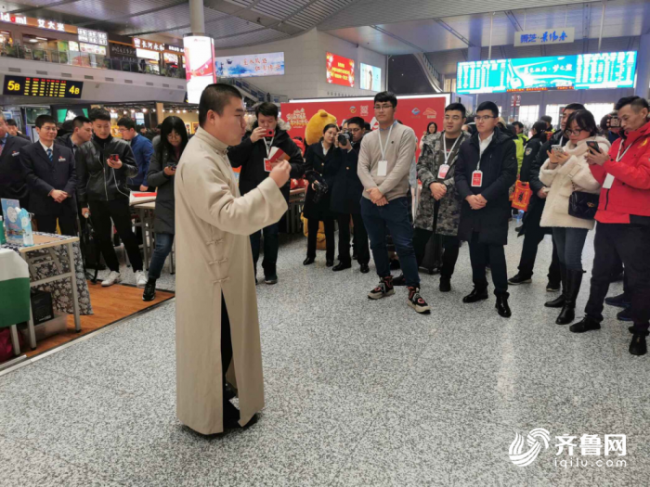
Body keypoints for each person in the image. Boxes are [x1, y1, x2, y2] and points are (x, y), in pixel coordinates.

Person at [175, 83, 291, 434]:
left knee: (224, 336)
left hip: (221, 261)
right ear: (212, 116)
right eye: (238, 115)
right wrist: (271, 184)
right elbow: (229, 213)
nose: (246, 123)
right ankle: (208, 412)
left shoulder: (214, 151)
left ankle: (221, 394)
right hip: (213, 269)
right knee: (214, 339)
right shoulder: (200, 160)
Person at [570, 96, 650, 356]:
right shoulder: (618, 142)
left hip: (634, 220)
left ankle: (640, 330)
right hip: (607, 216)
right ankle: (592, 316)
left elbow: (643, 179)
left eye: (626, 117)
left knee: (638, 278)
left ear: (644, 113)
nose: (622, 123)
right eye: (620, 118)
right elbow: (606, 177)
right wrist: (596, 164)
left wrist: (608, 163)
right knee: (600, 273)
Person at [357, 91, 431, 314]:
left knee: (404, 246)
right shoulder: (368, 138)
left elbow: (402, 167)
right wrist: (373, 192)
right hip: (369, 200)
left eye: (385, 106)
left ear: (394, 109)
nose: (381, 110)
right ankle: (385, 282)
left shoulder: (406, 133)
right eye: (377, 106)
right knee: (376, 243)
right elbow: (362, 167)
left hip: (395, 199)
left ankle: (413, 290)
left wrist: (380, 191)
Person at [538, 110, 607, 324]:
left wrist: (568, 163)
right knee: (561, 256)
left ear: (590, 128)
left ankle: (570, 305)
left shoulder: (597, 147)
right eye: (570, 130)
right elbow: (546, 179)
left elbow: (593, 183)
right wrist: (552, 164)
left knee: (572, 257)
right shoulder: (567, 146)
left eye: (578, 130)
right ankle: (565, 296)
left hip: (577, 210)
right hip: (557, 208)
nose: (574, 135)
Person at [509, 104, 585, 291]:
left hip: (567, 202)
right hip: (542, 199)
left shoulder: (585, 145)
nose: (565, 120)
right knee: (531, 236)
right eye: (564, 116)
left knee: (560, 244)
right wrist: (538, 188)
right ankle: (524, 273)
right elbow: (535, 167)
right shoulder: (552, 140)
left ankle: (554, 279)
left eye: (570, 116)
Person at [228, 102, 303, 285]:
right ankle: (250, 273)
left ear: (276, 120)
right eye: (262, 121)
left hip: (274, 194)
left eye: (270, 121)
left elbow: (300, 167)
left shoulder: (284, 140)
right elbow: (233, 159)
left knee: (271, 234)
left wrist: (286, 166)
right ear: (257, 119)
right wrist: (250, 140)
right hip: (251, 193)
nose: (266, 125)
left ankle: (270, 271)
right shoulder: (247, 136)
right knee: (251, 235)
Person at [455, 101, 517, 318]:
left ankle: (501, 296)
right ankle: (479, 287)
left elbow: (508, 175)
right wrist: (468, 196)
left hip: (494, 205)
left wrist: (484, 196)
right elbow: (459, 174)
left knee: (495, 251)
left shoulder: (506, 143)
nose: (480, 121)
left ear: (496, 120)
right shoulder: (467, 144)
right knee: (475, 248)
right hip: (471, 203)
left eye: (486, 117)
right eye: (478, 117)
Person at [402, 102, 469, 292]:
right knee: (419, 239)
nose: (450, 121)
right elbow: (421, 165)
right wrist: (432, 183)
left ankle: (445, 278)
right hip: (429, 198)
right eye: (447, 117)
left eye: (455, 117)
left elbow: (467, 172)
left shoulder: (469, 143)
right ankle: (411, 276)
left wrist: (445, 185)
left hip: (453, 200)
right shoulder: (431, 140)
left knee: (451, 243)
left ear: (463, 120)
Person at [77, 109, 146, 288]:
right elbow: (81, 178)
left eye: (106, 126)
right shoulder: (84, 149)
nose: (103, 130)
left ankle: (138, 270)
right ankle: (114, 270)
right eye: (99, 126)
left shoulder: (122, 145)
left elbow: (135, 171)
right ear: (92, 126)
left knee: (127, 234)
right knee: (102, 237)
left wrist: (121, 166)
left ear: (111, 125)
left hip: (118, 196)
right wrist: (83, 203)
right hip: (95, 198)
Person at [142, 117, 188, 302]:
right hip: (166, 206)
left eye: (177, 134)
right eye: (170, 135)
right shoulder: (159, 151)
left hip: (188, 206)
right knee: (162, 247)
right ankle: (151, 281)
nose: (174, 138)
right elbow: (151, 179)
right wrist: (165, 173)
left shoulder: (191, 150)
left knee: (192, 249)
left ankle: (194, 284)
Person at [21, 115, 78, 236]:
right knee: (47, 238)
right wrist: (51, 191)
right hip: (43, 202)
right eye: (47, 128)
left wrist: (66, 192)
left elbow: (74, 173)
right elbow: (29, 176)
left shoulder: (66, 151)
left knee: (71, 237)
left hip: (66, 202)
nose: (51, 131)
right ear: (37, 129)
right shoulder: (27, 151)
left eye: (54, 128)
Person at [330, 116, 370, 273]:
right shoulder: (339, 145)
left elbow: (363, 165)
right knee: (342, 230)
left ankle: (363, 261)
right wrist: (336, 148)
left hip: (359, 193)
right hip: (341, 192)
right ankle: (344, 260)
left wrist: (349, 149)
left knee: (360, 229)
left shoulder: (366, 145)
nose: (351, 133)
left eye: (355, 130)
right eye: (348, 130)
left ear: (363, 130)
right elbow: (331, 167)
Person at [302, 124, 341, 267]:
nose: (331, 136)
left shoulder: (337, 151)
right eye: (329, 132)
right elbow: (307, 169)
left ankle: (330, 257)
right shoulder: (313, 148)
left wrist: (327, 184)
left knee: (329, 227)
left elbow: (337, 172)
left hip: (329, 192)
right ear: (323, 133)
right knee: (312, 226)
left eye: (334, 134)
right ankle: (310, 255)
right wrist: (313, 181)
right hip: (314, 191)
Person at [0, 114, 31, 214]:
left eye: (0, 124)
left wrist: (24, 191)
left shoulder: (23, 144)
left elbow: (32, 171)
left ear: (6, 124)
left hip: (18, 197)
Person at [117, 117, 154, 192]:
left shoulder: (144, 142)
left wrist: (146, 183)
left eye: (122, 130)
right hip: (128, 183)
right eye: (119, 130)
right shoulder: (125, 142)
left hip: (142, 184)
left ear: (131, 130)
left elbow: (150, 164)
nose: (121, 132)